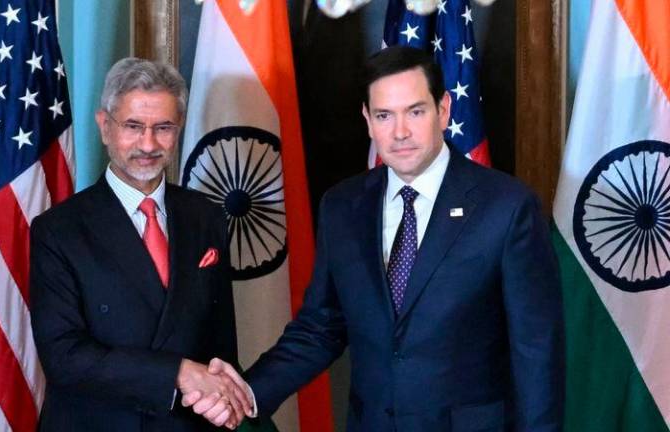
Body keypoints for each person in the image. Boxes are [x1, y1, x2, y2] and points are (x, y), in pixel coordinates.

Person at [208, 45, 564, 431]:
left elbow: (537, 352)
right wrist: (247, 391)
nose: (400, 133)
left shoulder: (507, 207)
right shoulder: (342, 206)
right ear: (367, 120)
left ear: (443, 110)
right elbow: (321, 327)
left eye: (415, 111)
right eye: (384, 115)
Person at [29, 58, 253, 431]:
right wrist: (177, 373)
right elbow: (64, 356)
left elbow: (220, 343)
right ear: (105, 127)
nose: (148, 144)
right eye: (133, 126)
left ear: (178, 128)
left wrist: (221, 400)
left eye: (163, 127)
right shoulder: (58, 230)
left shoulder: (206, 217)